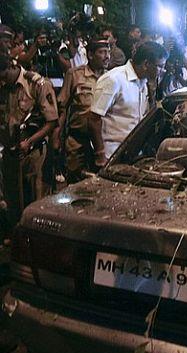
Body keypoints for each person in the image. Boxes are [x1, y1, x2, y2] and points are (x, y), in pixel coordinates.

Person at [88, 41, 168, 167]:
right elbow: (94, 119)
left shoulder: (144, 82)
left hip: (133, 156)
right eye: (160, 66)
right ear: (146, 64)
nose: (163, 70)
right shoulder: (114, 80)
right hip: (111, 157)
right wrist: (100, 154)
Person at [0, 52, 58, 223]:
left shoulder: (36, 84)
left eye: (3, 76)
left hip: (34, 152)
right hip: (10, 152)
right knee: (13, 199)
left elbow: (52, 121)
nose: (2, 81)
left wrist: (30, 142)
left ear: (11, 67)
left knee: (36, 199)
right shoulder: (3, 86)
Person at [57, 37, 110, 183]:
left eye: (108, 52)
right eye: (102, 52)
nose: (107, 56)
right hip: (78, 142)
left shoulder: (111, 77)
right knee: (76, 184)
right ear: (90, 55)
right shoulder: (74, 75)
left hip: (102, 142)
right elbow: (62, 108)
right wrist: (56, 138)